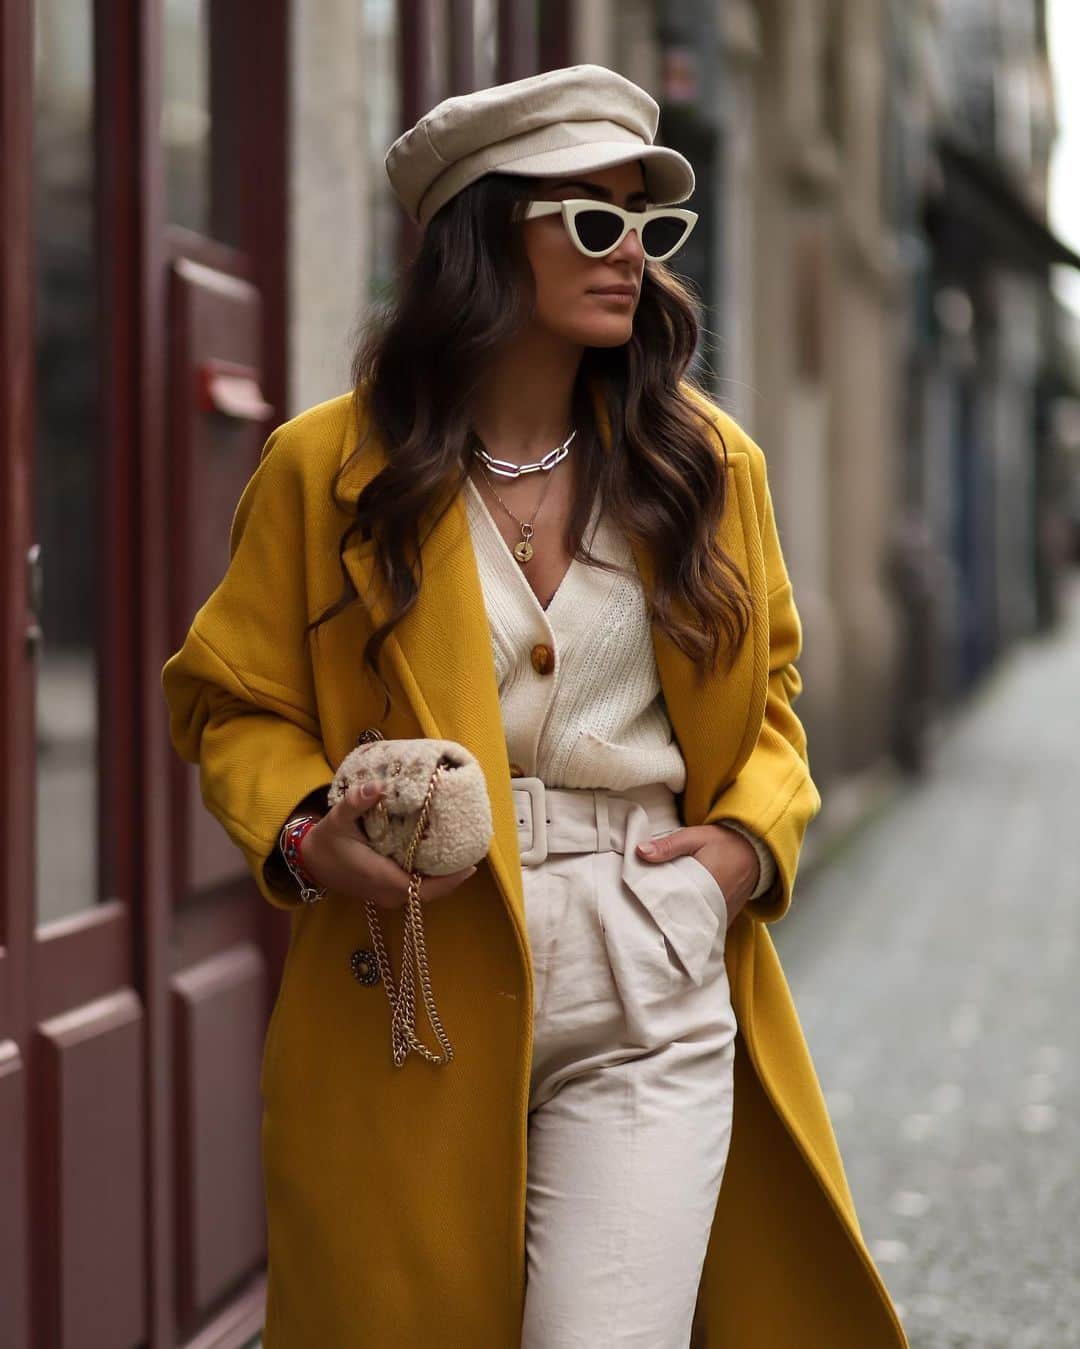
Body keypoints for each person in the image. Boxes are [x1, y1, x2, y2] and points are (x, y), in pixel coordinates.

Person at [161, 63, 909, 1349]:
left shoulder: (705, 466)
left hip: (646, 950)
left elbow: (769, 692)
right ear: (483, 235)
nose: (633, 255)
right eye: (593, 219)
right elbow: (231, 700)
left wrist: (737, 849)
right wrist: (301, 831)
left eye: (649, 224)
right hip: (409, 967)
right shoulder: (325, 467)